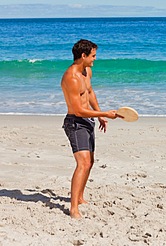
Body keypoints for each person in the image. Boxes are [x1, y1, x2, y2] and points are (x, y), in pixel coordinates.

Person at [61, 39, 118, 218]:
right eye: (93, 56)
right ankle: (73, 208)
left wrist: (99, 114)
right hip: (75, 123)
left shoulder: (87, 71)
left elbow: (90, 92)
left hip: (88, 121)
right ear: (83, 56)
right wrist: (106, 114)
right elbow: (77, 110)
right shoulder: (71, 77)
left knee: (90, 162)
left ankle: (79, 197)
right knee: (83, 163)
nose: (95, 59)